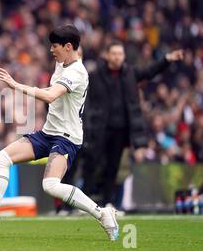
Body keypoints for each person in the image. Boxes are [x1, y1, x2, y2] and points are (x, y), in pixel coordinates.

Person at [0, 25, 119, 241]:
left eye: (54, 46)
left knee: (50, 185)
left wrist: (16, 85)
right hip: (47, 133)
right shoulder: (63, 62)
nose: (51, 50)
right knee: (1, 158)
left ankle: (102, 214)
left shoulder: (76, 73)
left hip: (66, 138)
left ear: (68, 46)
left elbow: (51, 95)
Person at [79, 41, 184, 208]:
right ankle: (82, 203)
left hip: (121, 130)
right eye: (114, 53)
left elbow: (149, 71)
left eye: (120, 54)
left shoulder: (130, 73)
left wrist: (167, 59)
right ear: (107, 55)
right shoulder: (95, 75)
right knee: (93, 164)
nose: (117, 57)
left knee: (113, 167)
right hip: (99, 129)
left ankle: (107, 203)